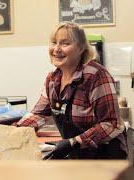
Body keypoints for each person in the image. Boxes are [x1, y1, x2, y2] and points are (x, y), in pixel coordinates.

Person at [14, 22, 128, 160]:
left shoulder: (95, 75)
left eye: (65, 43)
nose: (56, 49)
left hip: (105, 156)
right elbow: (39, 114)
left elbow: (111, 124)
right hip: (78, 154)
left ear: (80, 48)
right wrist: (15, 132)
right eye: (54, 42)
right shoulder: (53, 78)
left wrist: (73, 143)